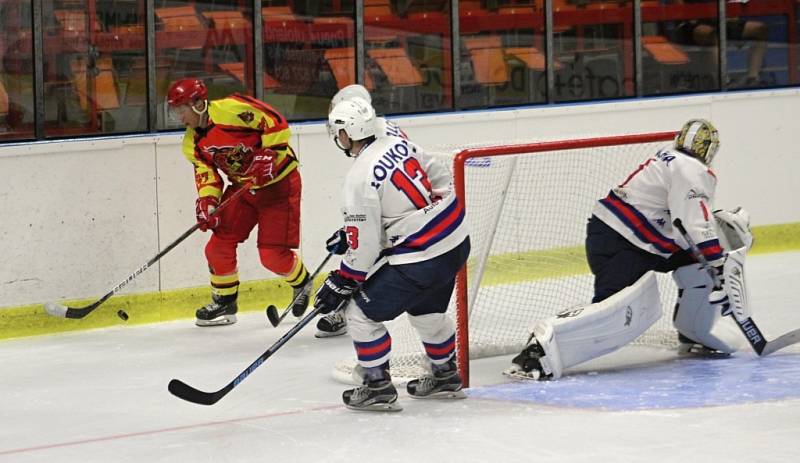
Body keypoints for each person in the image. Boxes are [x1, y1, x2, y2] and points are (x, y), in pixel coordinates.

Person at [505, 119, 754, 380]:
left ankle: (695, 331)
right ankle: (536, 352)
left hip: (626, 237)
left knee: (695, 264)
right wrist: (717, 262)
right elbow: (694, 221)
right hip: (626, 243)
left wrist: (712, 262)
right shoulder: (691, 169)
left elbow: (683, 223)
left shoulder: (669, 159)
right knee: (611, 313)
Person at [314, 97, 471, 411]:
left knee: (358, 313)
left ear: (346, 134)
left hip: (421, 258)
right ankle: (444, 376)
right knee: (427, 313)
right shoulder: (398, 141)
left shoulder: (358, 179)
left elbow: (366, 248)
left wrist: (341, 281)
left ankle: (377, 386)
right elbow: (437, 176)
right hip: (455, 244)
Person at [166, 78, 311, 327]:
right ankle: (225, 302)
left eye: (182, 110)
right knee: (217, 245)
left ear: (199, 103)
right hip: (243, 189)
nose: (180, 117)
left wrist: (271, 154)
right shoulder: (191, 143)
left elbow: (275, 120)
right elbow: (207, 174)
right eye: (175, 111)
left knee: (272, 256)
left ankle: (302, 283)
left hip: (279, 185)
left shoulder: (232, 109)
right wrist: (207, 203)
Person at [314, 84, 410, 339]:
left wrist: (355, 233)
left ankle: (348, 309)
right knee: (361, 248)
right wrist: (352, 231)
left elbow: (377, 199)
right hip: (405, 210)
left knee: (364, 255)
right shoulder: (383, 130)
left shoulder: (371, 151)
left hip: (404, 222)